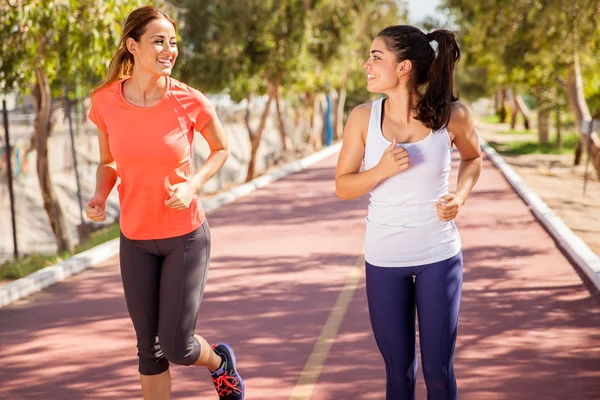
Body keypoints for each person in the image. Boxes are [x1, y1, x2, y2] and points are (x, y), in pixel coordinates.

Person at [84, 6, 244, 400]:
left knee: (177, 346)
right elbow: (108, 160)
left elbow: (221, 150)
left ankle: (219, 362)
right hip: (134, 237)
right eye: (158, 41)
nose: (169, 50)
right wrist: (100, 196)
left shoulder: (189, 100)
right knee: (148, 348)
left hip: (184, 238)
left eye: (173, 42)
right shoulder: (105, 100)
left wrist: (193, 185)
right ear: (132, 46)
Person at [335, 25, 482, 399]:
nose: (366, 64)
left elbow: (473, 158)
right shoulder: (362, 119)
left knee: (437, 372)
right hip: (385, 258)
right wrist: (380, 171)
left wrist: (460, 197)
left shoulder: (452, 115)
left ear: (403, 68)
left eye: (376, 57)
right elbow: (343, 186)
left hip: (439, 255)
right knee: (398, 374)